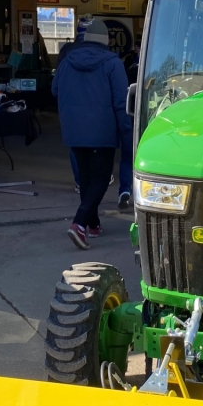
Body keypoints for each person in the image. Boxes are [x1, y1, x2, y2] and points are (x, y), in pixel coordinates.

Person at [52, 20, 131, 250]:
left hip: (74, 130)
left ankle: (93, 223)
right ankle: (78, 224)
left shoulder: (67, 61)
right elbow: (121, 102)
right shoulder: (113, 64)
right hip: (102, 131)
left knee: (86, 178)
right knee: (100, 178)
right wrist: (126, 132)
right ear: (106, 41)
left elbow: (55, 90)